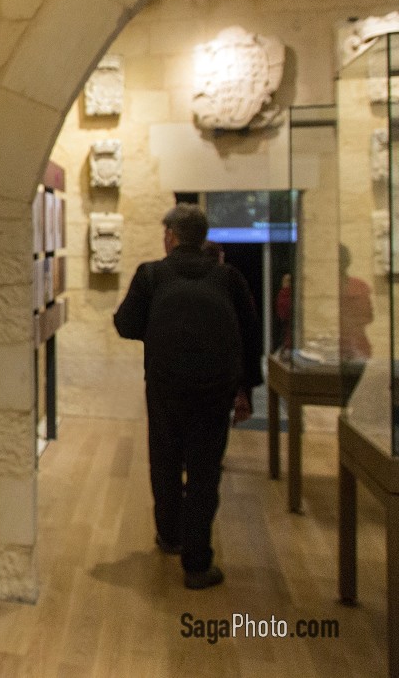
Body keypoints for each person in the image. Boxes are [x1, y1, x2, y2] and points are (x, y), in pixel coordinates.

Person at [113, 203, 262, 590]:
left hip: (165, 386)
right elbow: (250, 337)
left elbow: (125, 324)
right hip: (215, 390)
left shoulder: (152, 275)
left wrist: (160, 328)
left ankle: (171, 536)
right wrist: (245, 391)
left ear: (171, 236)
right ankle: (197, 565)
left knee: (164, 461)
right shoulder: (229, 278)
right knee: (204, 471)